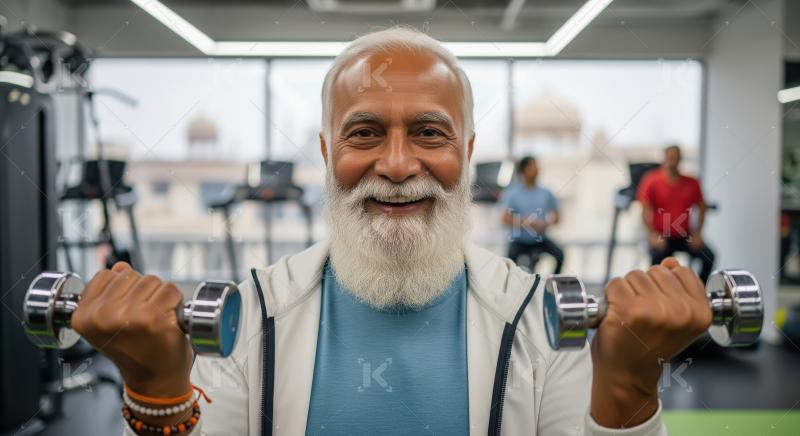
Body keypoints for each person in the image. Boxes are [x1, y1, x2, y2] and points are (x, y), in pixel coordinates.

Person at [71, 27, 714, 436]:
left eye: (430, 133)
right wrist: (156, 391)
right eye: (365, 132)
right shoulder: (249, 315)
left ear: (467, 151)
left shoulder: (542, 323)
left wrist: (628, 390)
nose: (400, 164)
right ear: (327, 153)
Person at [638, 145, 715, 283]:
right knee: (657, 262)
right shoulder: (651, 180)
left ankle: (698, 291)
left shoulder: (692, 182)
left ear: (680, 159)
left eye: (676, 157)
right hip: (662, 235)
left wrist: (698, 234)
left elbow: (702, 208)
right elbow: (644, 210)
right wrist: (652, 234)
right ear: (665, 158)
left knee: (709, 256)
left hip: (684, 235)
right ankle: (659, 295)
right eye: (670, 157)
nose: (672, 160)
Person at [500, 156, 564, 274]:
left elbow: (557, 216)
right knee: (507, 266)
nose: (537, 169)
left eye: (537, 166)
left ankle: (550, 286)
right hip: (518, 241)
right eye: (533, 166)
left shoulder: (546, 192)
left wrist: (546, 223)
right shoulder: (512, 192)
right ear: (524, 170)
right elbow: (504, 219)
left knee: (560, 255)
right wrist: (528, 223)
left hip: (540, 240)